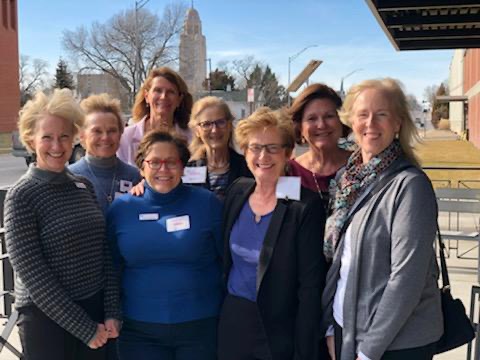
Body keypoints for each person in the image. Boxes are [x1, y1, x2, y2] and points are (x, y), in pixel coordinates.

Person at [321, 78, 443, 360]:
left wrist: (368, 352)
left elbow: (406, 280)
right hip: (344, 329)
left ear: (398, 123)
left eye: (382, 114)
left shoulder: (410, 186)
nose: (371, 123)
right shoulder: (347, 180)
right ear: (351, 121)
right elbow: (340, 262)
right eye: (363, 114)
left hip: (396, 345)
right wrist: (330, 325)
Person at [4, 89, 121, 359]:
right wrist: (84, 328)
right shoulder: (21, 195)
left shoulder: (84, 186)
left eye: (64, 136)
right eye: (47, 137)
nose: (57, 146)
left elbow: (104, 253)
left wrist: (113, 311)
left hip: (94, 311)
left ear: (74, 139)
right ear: (31, 140)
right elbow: (34, 276)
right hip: (46, 320)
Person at [218, 107, 327, 360]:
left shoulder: (303, 206)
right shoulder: (237, 192)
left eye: (272, 148)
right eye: (255, 147)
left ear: (288, 153)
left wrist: (304, 347)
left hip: (279, 329)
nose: (263, 156)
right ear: (245, 152)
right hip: (234, 319)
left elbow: (310, 286)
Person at [108, 131, 223, 360]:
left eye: (171, 162)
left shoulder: (206, 203)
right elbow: (111, 266)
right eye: (154, 162)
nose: (163, 169)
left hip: (199, 326)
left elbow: (226, 260)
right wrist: (111, 313)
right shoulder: (122, 208)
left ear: (182, 166)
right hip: (139, 330)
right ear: (142, 167)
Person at [69, 93, 142, 215]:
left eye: (112, 131)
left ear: (120, 133)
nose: (105, 137)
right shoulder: (69, 178)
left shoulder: (134, 177)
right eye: (97, 131)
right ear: (82, 135)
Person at [117, 67, 193, 166]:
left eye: (170, 92)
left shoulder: (192, 138)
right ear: (146, 96)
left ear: (179, 99)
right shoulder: (126, 137)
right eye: (158, 90)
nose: (163, 96)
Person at [288, 83, 351, 201]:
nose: (321, 125)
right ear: (300, 127)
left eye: (329, 116)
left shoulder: (359, 166)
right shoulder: (290, 173)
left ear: (342, 121)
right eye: (312, 118)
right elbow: (286, 217)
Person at [187, 96, 251, 198]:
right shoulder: (188, 170)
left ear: (230, 125)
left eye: (220, 122)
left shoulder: (246, 167)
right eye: (206, 124)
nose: (214, 130)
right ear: (197, 131)